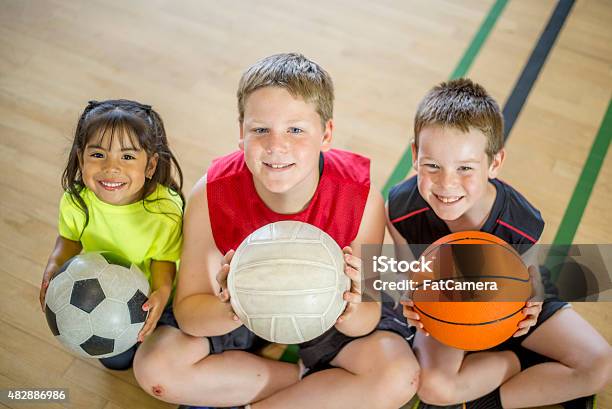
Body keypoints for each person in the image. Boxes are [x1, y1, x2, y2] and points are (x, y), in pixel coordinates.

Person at [133, 53, 419, 409]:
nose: (276, 145)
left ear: (326, 134)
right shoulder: (212, 193)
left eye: (296, 129)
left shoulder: (359, 199)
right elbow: (190, 310)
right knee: (155, 368)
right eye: (260, 129)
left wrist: (352, 306)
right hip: (239, 311)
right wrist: (234, 306)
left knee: (398, 375)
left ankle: (258, 399)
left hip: (326, 315)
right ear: (241, 133)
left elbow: (365, 322)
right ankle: (308, 383)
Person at [387, 78, 612, 408]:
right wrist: (409, 296)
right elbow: (405, 274)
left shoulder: (518, 220)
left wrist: (532, 301)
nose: (446, 183)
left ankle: (491, 393)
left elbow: (531, 278)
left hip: (508, 297)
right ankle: (516, 363)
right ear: (415, 154)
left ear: (494, 163)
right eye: (432, 165)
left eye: (465, 168)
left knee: (601, 365)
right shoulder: (402, 208)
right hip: (448, 304)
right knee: (433, 388)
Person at [39, 99, 184, 370]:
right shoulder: (77, 201)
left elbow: (164, 259)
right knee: (117, 362)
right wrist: (54, 265)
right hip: (100, 297)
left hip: (155, 294)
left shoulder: (165, 210)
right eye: (98, 155)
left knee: (167, 344)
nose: (111, 167)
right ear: (81, 157)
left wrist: (163, 292)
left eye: (127, 157)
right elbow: (69, 240)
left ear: (150, 166)